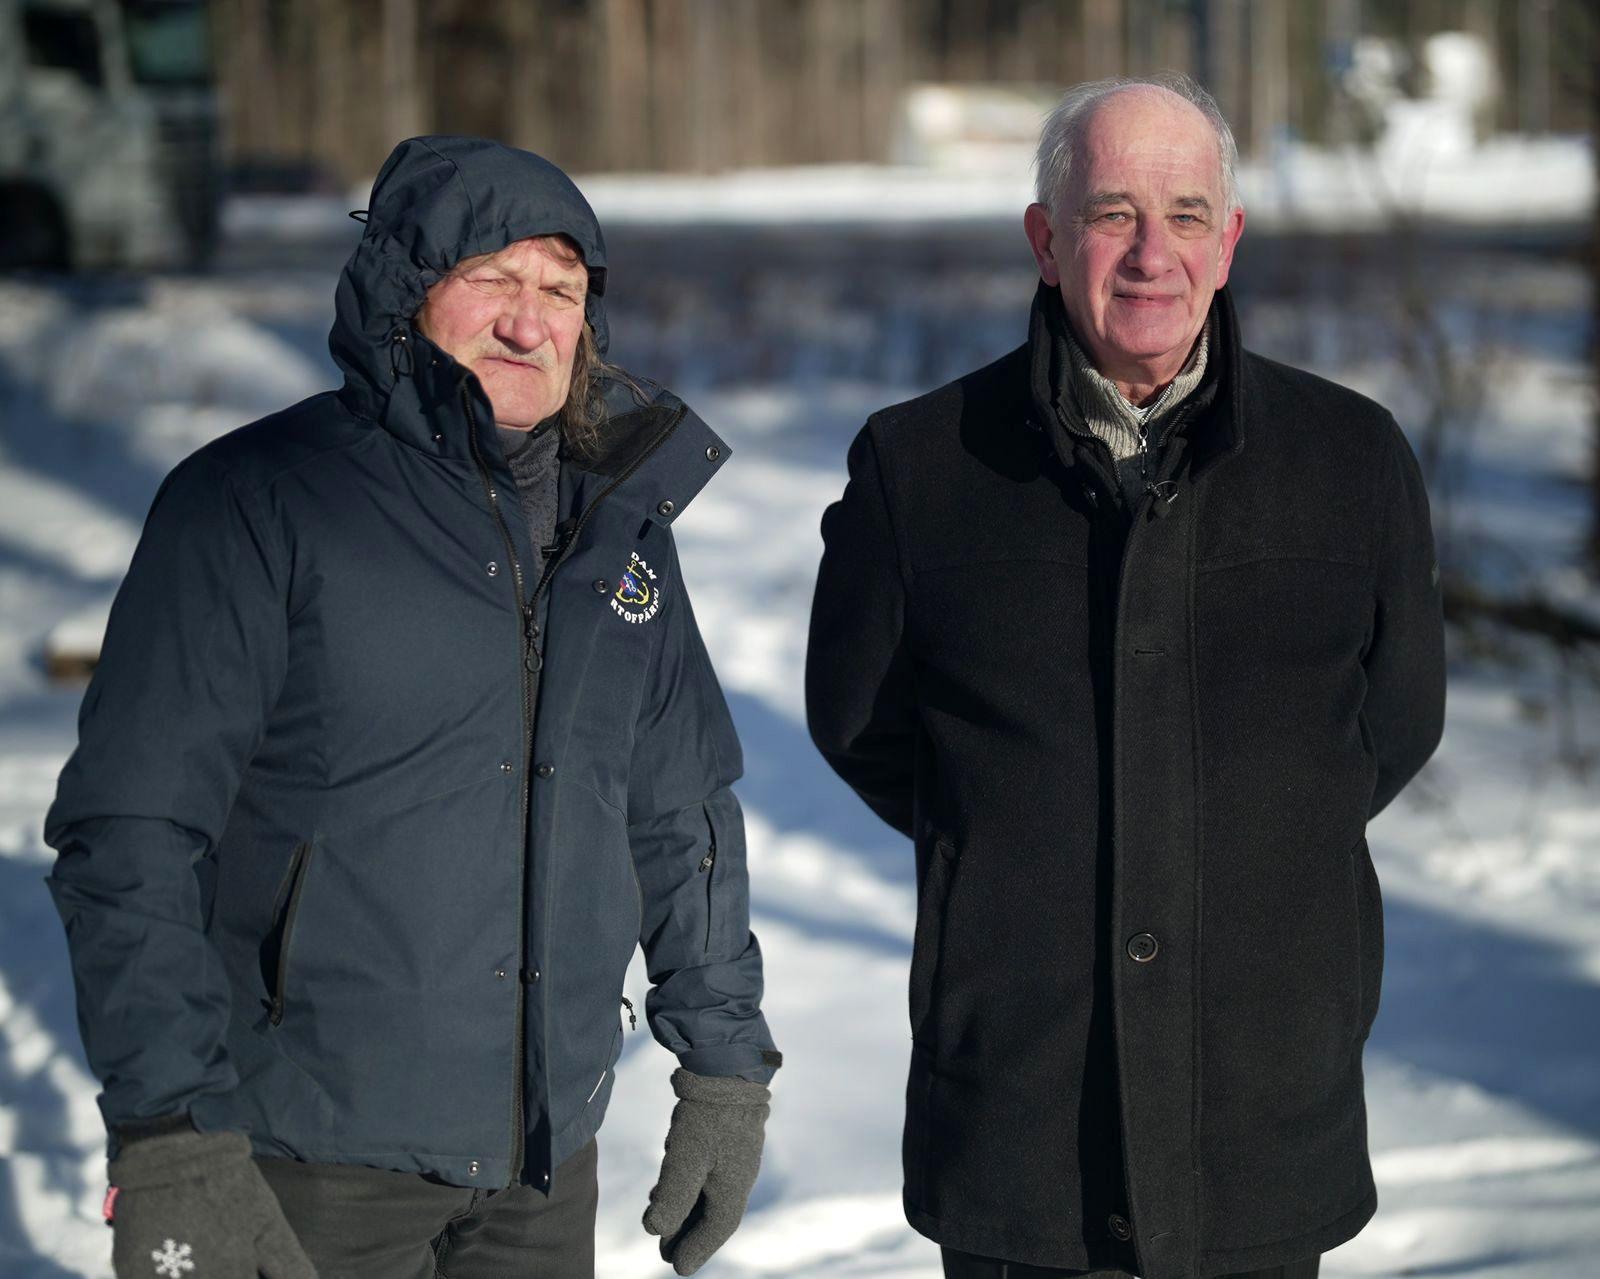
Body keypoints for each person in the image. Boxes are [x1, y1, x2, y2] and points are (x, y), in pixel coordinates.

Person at [46, 135, 780, 1279]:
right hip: (304, 1165)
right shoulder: (258, 501)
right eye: (489, 277)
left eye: (560, 290)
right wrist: (167, 1133)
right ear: (402, 292)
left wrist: (725, 1068)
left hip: (542, 1169)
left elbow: (677, 809)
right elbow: (133, 831)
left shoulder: (618, 531)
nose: (527, 322)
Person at [805, 74, 1445, 1279]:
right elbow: (863, 723)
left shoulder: (1350, 459)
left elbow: (1395, 719)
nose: (1154, 253)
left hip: (1260, 1115)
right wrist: (1018, 834)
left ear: (1231, 241)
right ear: (1046, 241)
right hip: (1022, 1125)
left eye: (1188, 214)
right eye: (1110, 213)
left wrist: (1244, 827)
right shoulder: (919, 465)